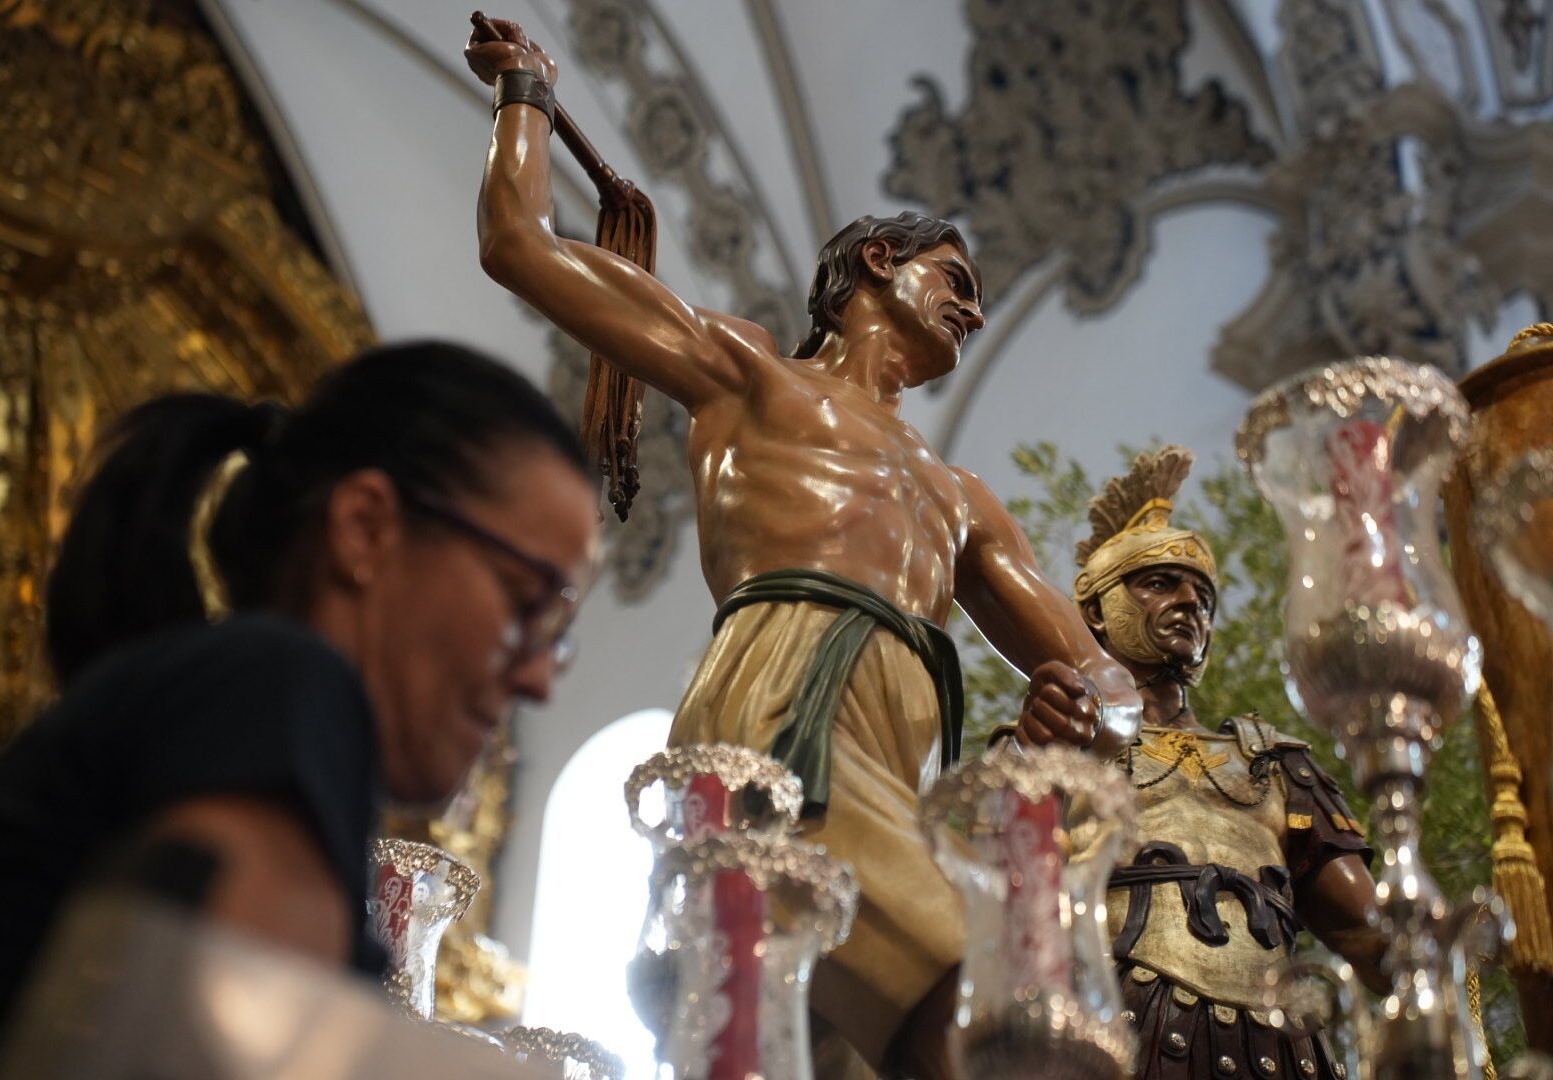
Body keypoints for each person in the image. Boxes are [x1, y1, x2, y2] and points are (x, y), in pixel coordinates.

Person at [468, 22, 1139, 1078]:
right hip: (781, 700)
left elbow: (1106, 686)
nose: (971, 306)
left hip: (904, 757)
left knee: (809, 1056)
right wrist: (526, 91)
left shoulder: (958, 499)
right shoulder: (753, 377)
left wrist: (1070, 725)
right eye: (953, 277)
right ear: (878, 260)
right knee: (985, 1007)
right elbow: (521, 243)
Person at [0, 341, 601, 1077]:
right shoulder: (284, 679)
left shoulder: (239, 697)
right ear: (365, 528)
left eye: (557, 637)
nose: (540, 678)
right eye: (527, 602)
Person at [998, 447, 1386, 1080]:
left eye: (1202, 594)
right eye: (1158, 583)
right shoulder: (1057, 736)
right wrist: (1034, 756)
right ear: (1093, 610)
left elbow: (1367, 932)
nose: (1189, 603)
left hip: (1280, 1046)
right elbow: (995, 887)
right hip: (1120, 1026)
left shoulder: (1276, 763)